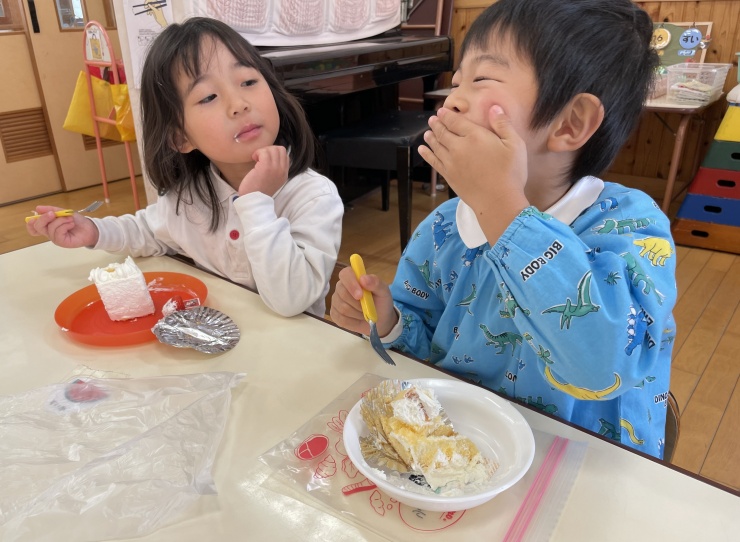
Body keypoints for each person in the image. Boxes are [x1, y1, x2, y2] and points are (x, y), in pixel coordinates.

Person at [331, 0, 677, 459]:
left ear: (570, 123)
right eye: (457, 81)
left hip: (581, 467)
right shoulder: (442, 228)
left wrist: (503, 208)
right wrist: (391, 321)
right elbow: (426, 344)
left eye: (482, 80)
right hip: (465, 455)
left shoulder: (631, 226)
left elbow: (602, 365)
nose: (452, 98)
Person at [27, 17, 343, 317]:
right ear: (180, 138)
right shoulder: (189, 197)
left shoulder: (312, 195)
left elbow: (292, 300)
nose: (239, 104)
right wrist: (93, 231)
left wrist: (257, 203)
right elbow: (147, 230)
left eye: (248, 81)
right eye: (208, 97)